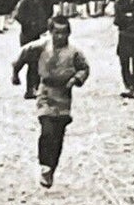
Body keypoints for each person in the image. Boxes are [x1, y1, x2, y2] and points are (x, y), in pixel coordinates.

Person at [11, 15, 89, 188]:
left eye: (64, 33)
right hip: (45, 92)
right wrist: (15, 73)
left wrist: (76, 79)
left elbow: (84, 68)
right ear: (50, 32)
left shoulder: (74, 52)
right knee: (47, 129)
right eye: (56, 33)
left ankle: (51, 167)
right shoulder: (41, 46)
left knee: (58, 134)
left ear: (69, 33)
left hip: (63, 94)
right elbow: (22, 55)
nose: (60, 37)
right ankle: (44, 165)